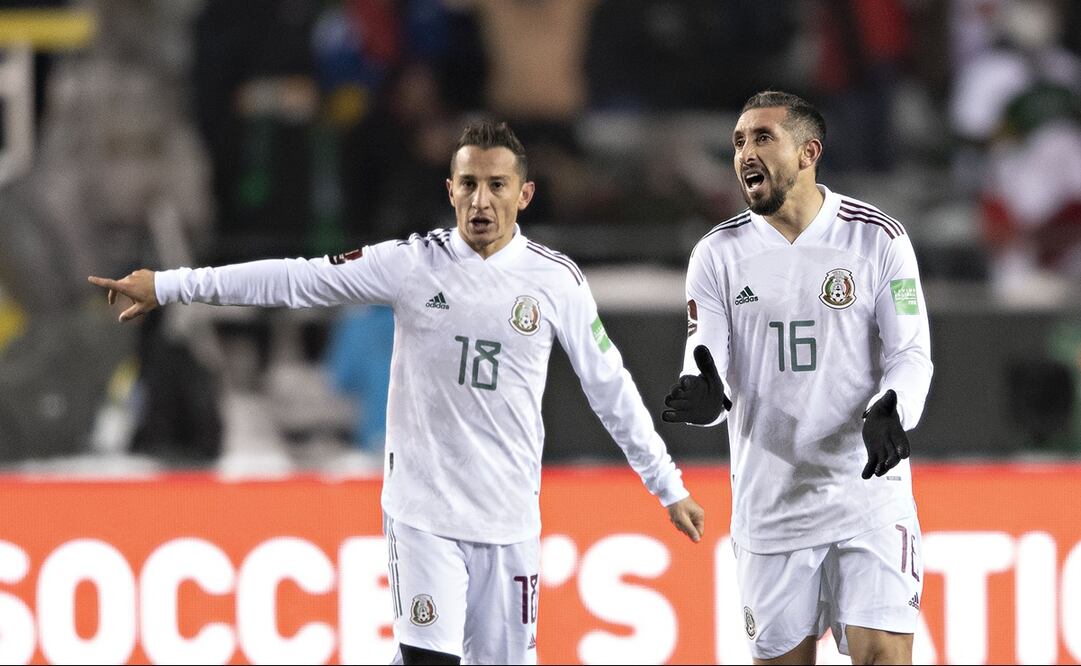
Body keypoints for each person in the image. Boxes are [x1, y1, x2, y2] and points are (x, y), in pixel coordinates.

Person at [89, 120, 705, 665]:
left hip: (510, 520)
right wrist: (171, 285)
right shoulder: (413, 264)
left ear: (525, 194)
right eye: (468, 185)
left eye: (497, 185)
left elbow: (611, 389)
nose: (481, 200)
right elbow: (297, 280)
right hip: (422, 513)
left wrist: (667, 484)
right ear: (450, 191)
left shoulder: (556, 283)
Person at [661, 91, 932, 665]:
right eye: (738, 142)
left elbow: (911, 353)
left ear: (809, 152)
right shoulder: (716, 255)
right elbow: (704, 364)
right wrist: (705, 397)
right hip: (771, 508)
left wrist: (893, 407)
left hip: (867, 499)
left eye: (762, 138)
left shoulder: (877, 238)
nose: (744, 153)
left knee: (884, 655)